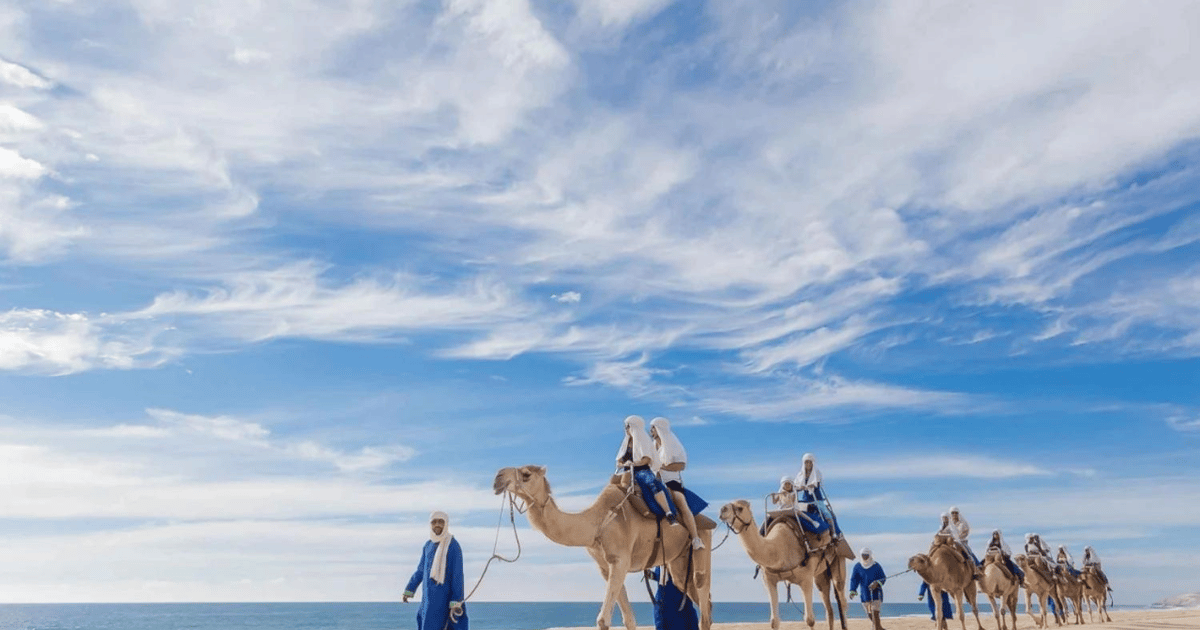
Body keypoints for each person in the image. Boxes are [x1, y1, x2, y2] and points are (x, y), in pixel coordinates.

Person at [650, 416, 708, 549]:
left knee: (681, 502)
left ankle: (695, 539)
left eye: (653, 428)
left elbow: (681, 465)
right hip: (655, 483)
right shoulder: (652, 447)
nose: (651, 430)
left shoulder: (673, 445)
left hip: (672, 483)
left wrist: (661, 467)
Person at [404, 511, 468, 630]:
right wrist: (409, 590)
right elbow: (420, 571)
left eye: (440, 521)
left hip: (446, 601)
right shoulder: (427, 546)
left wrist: (456, 601)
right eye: (434, 522)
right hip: (428, 602)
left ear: (446, 524)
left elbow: (457, 575)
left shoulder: (453, 545)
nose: (437, 525)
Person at [616, 415, 676, 523]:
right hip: (626, 472)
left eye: (628, 426)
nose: (626, 429)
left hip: (641, 471)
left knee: (652, 483)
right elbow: (619, 459)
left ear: (634, 427)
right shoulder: (626, 442)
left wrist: (633, 464)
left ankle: (668, 512)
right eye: (625, 426)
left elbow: (646, 459)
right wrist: (621, 464)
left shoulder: (643, 440)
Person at [795, 453, 841, 537]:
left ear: (813, 463)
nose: (808, 464)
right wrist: (800, 487)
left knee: (826, 513)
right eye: (806, 462)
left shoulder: (817, 473)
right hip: (805, 499)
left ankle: (833, 532)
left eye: (810, 462)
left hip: (816, 498)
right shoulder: (800, 475)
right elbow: (795, 486)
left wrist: (810, 486)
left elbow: (816, 483)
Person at [849, 547, 887, 630]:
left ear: (870, 555)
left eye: (866, 555)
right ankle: (879, 628)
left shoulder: (876, 565)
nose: (865, 557)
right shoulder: (858, 566)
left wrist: (877, 583)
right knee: (869, 614)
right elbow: (854, 579)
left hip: (876, 594)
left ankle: (877, 628)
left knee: (875, 613)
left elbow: (883, 578)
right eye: (863, 555)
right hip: (864, 594)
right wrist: (852, 590)